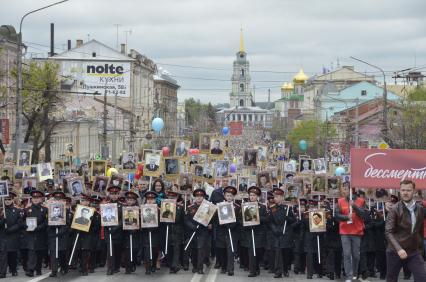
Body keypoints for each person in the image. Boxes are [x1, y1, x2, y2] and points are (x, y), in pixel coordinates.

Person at [385, 179, 426, 282]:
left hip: (413, 251)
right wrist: (399, 249)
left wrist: (420, 250)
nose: (405, 193)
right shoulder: (394, 209)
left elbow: (419, 230)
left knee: (422, 278)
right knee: (391, 279)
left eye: (408, 190)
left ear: (414, 191)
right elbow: (388, 232)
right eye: (403, 190)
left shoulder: (420, 209)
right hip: (395, 251)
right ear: (400, 191)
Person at [335, 185, 367, 282]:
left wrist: (354, 206)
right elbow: (336, 215)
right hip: (344, 231)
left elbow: (363, 215)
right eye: (343, 189)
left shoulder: (361, 201)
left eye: (345, 189)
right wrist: (346, 217)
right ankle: (348, 276)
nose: (344, 191)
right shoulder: (340, 201)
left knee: (356, 255)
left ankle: (355, 273)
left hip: (357, 231)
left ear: (351, 190)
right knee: (347, 254)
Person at [270, 187, 295, 278]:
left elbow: (294, 220)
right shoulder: (272, 208)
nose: (275, 198)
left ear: (281, 197)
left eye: (277, 197)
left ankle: (285, 269)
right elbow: (271, 221)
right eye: (274, 197)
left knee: (285, 253)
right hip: (277, 233)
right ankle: (278, 272)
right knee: (278, 252)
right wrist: (274, 229)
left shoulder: (287, 208)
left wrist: (288, 218)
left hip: (286, 234)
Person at [185, 189, 212, 274]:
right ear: (195, 197)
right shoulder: (190, 207)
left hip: (203, 232)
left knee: (201, 249)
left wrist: (210, 225)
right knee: (193, 250)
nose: (199, 198)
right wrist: (192, 227)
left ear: (203, 197)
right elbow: (186, 220)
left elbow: (211, 219)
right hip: (192, 232)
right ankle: (195, 266)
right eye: (197, 196)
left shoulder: (208, 207)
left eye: (201, 196)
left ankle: (200, 267)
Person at [0, 191, 24, 278]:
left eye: (9, 199)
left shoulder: (17, 211)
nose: (7, 201)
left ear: (12, 199)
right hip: (3, 236)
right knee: (3, 255)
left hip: (13, 235)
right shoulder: (1, 211)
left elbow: (19, 223)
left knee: (12, 254)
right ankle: (2, 272)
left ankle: (13, 270)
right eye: (5, 199)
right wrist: (2, 219)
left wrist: (10, 229)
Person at [25, 190, 48, 277]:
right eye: (34, 198)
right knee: (31, 252)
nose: (35, 199)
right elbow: (21, 221)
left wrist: (39, 227)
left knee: (39, 252)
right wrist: (26, 226)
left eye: (37, 198)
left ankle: (38, 269)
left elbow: (46, 222)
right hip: (30, 234)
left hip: (41, 234)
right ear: (31, 199)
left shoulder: (45, 210)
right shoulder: (27, 210)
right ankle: (30, 270)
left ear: (41, 199)